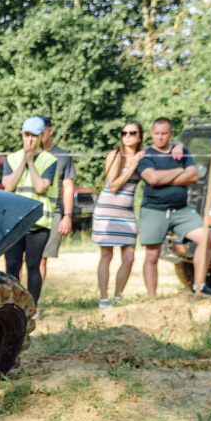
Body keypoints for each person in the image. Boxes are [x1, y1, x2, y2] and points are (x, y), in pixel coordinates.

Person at [138, 117, 211, 298]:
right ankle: (152, 298)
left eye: (164, 133)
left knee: (207, 238)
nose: (160, 137)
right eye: (156, 133)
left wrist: (166, 177)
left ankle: (199, 286)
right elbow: (153, 179)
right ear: (151, 134)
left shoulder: (182, 152)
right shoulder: (146, 155)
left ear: (171, 134)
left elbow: (194, 176)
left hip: (181, 209)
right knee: (152, 255)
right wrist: (180, 171)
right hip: (154, 209)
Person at [1, 117, 57, 303]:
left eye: (34, 135)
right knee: (12, 266)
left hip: (38, 223)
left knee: (33, 265)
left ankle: (32, 307)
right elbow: (8, 185)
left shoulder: (50, 160)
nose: (29, 140)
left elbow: (41, 187)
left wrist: (31, 163)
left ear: (41, 136)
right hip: (15, 221)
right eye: (26, 135)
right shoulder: (12, 158)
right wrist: (23, 162)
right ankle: (13, 305)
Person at [93, 121, 143, 306]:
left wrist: (177, 147)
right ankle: (104, 298)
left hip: (127, 213)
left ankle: (118, 296)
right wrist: (132, 167)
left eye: (132, 133)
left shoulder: (142, 155)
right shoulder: (115, 155)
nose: (127, 136)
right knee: (107, 256)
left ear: (139, 136)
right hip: (107, 211)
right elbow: (113, 185)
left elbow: (163, 148)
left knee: (129, 257)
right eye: (124, 133)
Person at [38, 115, 77, 283]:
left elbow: (68, 187)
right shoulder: (24, 154)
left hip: (52, 213)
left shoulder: (63, 155)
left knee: (40, 259)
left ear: (50, 131)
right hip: (27, 213)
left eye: (41, 131)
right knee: (21, 260)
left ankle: (34, 301)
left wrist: (67, 216)